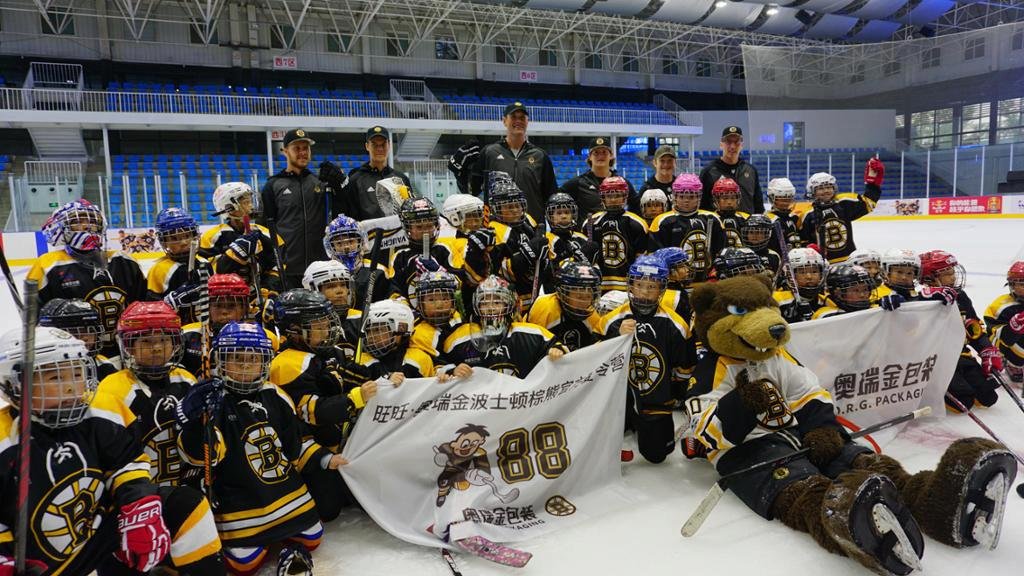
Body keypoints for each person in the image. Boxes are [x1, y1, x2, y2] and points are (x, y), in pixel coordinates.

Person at [0, 326, 223, 575]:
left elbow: (127, 461)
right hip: (47, 564)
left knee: (186, 505)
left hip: (98, 538)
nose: (73, 387)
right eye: (56, 378)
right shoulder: (4, 440)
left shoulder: (95, 413)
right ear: (15, 383)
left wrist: (139, 506)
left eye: (76, 374)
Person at [176, 321, 344, 576]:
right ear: (220, 361)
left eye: (253, 358)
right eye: (236, 358)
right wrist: (196, 426)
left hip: (285, 491)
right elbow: (202, 458)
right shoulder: (211, 400)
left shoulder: (275, 395)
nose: (245, 365)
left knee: (313, 539)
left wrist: (323, 459)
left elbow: (294, 444)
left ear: (265, 362)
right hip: (240, 497)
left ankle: (292, 552)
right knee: (244, 565)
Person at [269, 289, 385, 522]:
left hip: (344, 444)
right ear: (295, 331)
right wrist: (354, 398)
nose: (328, 329)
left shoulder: (331, 352)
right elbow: (311, 412)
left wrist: (384, 379)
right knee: (328, 509)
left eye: (327, 323)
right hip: (307, 450)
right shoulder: (288, 364)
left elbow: (352, 381)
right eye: (319, 325)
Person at [598, 255, 696, 463]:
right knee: (604, 446)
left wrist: (675, 394)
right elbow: (596, 359)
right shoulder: (611, 320)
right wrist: (616, 334)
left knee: (657, 456)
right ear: (630, 286)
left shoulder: (675, 325)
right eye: (640, 285)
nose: (644, 291)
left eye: (651, 287)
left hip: (655, 399)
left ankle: (644, 426)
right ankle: (628, 423)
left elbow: (685, 364)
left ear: (662, 289)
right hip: (618, 399)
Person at [29, 199, 146, 358]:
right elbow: (37, 321)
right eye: (78, 221)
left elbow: (142, 307)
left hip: (125, 352)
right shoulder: (48, 266)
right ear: (61, 229)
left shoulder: (124, 261)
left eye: (92, 221)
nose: (87, 226)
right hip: (73, 356)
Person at [919, 250, 1001, 411]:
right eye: (947, 274)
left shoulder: (960, 296)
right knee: (963, 403)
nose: (953, 277)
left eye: (952, 273)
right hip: (937, 361)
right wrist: (924, 297)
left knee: (988, 398)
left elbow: (974, 328)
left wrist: (986, 349)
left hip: (961, 355)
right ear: (929, 278)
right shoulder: (919, 300)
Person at [257, 129, 336, 289]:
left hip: (319, 269)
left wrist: (340, 185)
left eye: (305, 148)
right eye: (297, 148)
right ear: (285, 151)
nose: (302, 153)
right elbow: (264, 229)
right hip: (287, 270)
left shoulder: (320, 183)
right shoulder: (273, 186)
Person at [443, 275, 566, 377]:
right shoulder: (459, 339)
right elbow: (440, 366)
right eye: (485, 303)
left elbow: (556, 346)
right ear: (477, 306)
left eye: (497, 302)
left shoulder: (530, 333)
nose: (491, 308)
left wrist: (557, 350)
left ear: (509, 304)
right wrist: (451, 370)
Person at [469, 102, 558, 222]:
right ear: (504, 120)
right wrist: (462, 175)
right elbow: (472, 190)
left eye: (522, 118)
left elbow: (551, 194)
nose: (518, 121)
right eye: (514, 117)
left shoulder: (540, 156)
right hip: (497, 225)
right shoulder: (489, 152)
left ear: (527, 122)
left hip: (533, 225)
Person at [204, 181, 284, 299]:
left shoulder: (266, 234)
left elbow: (278, 265)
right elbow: (210, 271)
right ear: (229, 208)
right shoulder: (211, 237)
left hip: (260, 297)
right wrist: (236, 253)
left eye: (250, 201)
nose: (251, 206)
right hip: (225, 299)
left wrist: (268, 290)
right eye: (246, 202)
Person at [797, 158, 884, 263]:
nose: (826, 191)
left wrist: (872, 184)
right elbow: (803, 239)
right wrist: (809, 248)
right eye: (820, 188)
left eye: (829, 187)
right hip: (823, 263)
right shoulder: (807, 214)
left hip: (849, 259)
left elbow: (868, 202)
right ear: (812, 192)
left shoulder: (844, 203)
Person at [649, 173, 726, 282]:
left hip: (706, 282)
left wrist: (715, 271)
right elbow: (655, 257)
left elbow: (721, 251)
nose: (686, 200)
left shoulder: (712, 219)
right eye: (682, 196)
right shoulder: (662, 222)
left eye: (691, 196)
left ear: (699, 196)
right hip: (675, 282)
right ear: (674, 196)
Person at [585, 176, 650, 292]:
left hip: (628, 285)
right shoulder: (590, 223)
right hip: (599, 284)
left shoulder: (638, 224)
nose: (614, 199)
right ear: (603, 197)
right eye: (609, 195)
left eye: (618, 195)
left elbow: (641, 260)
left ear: (625, 196)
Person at [150, 207, 213, 326]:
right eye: (174, 238)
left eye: (187, 235)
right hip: (175, 331)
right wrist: (170, 301)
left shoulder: (205, 263)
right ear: (163, 241)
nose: (184, 242)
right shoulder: (159, 270)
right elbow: (151, 308)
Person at [527, 260, 603, 352]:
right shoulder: (544, 308)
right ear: (562, 293)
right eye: (579, 297)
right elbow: (530, 345)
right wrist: (550, 348)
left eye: (588, 296)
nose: (585, 302)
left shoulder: (591, 316)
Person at [38, 297, 120, 379]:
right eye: (74, 331)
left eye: (91, 330)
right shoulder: (37, 366)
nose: (85, 337)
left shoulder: (103, 366)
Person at [343, 126, 412, 220]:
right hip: (368, 234)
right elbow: (350, 217)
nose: (380, 149)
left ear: (389, 145)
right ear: (367, 146)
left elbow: (410, 211)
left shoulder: (401, 178)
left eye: (383, 144)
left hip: (399, 234)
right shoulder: (355, 180)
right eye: (375, 145)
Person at [557, 137, 635, 220]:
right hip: (586, 232)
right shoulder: (578, 183)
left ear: (611, 156)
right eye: (596, 153)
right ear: (590, 157)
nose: (600, 156)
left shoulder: (622, 183)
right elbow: (555, 200)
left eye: (604, 152)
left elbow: (636, 205)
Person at [302, 260, 363, 361]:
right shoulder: (307, 325)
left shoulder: (361, 319)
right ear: (313, 290)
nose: (340, 291)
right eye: (331, 286)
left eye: (343, 285)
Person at [699, 126, 764, 214]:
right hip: (719, 226)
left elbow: (758, 205)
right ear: (721, 144)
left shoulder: (751, 171)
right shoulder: (709, 172)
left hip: (746, 225)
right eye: (728, 142)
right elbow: (702, 206)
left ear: (741, 145)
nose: (732, 146)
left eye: (736, 142)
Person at [984, 261, 1024, 383]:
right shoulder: (1000, 306)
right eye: (1023, 283)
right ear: (1012, 284)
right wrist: (1014, 327)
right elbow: (996, 338)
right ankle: (1012, 363)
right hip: (1006, 346)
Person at [764, 177, 801, 249]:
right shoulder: (768, 220)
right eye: (782, 199)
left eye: (788, 199)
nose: (786, 203)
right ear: (772, 198)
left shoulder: (794, 217)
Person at [742, 214, 781, 281]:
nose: (754, 235)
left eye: (758, 232)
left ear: (766, 235)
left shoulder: (774, 256)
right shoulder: (740, 254)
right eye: (751, 232)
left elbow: (778, 279)